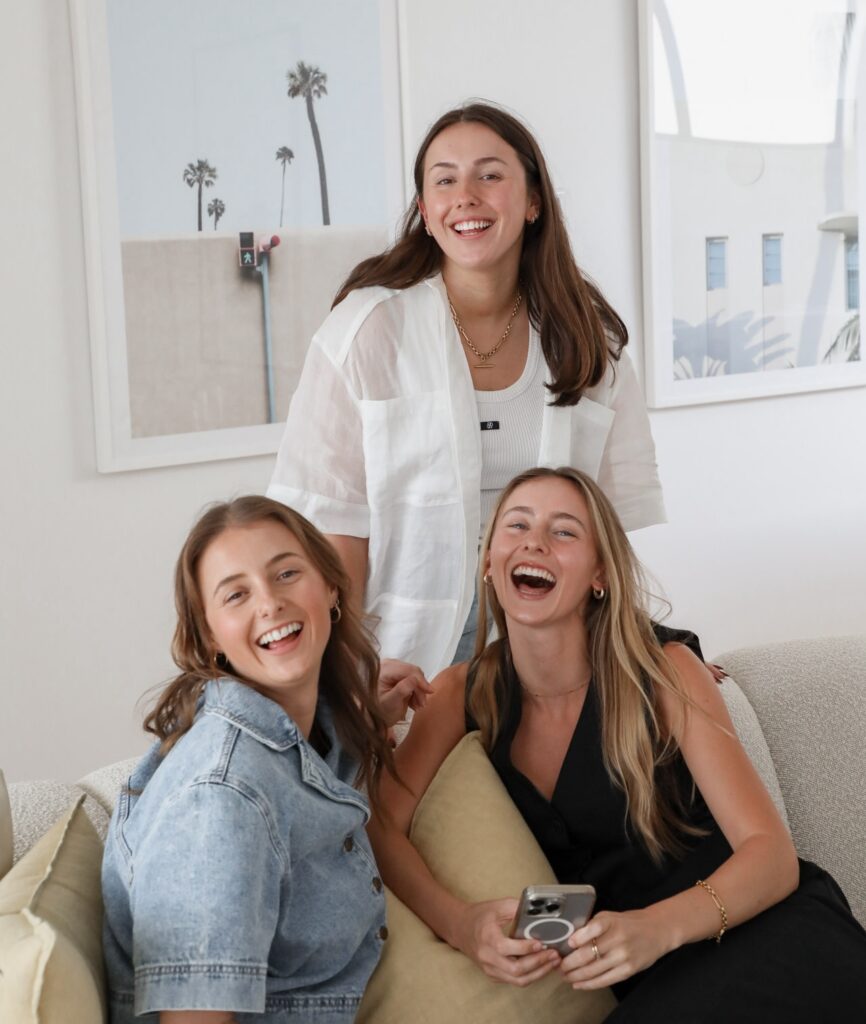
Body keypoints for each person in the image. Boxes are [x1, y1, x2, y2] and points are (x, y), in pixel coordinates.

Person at [366, 467, 866, 1021]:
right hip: (641, 984)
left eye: (564, 532)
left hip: (765, 940)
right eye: (517, 525)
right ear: (488, 562)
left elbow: (771, 858)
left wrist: (655, 930)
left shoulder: (665, 670)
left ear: (599, 574)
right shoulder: (463, 692)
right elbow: (377, 824)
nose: (534, 541)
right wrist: (461, 924)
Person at [268, 101, 665, 677]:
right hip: (402, 663)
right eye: (445, 180)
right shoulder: (366, 331)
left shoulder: (589, 339)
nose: (467, 196)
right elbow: (332, 533)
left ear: (533, 201)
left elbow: (608, 533)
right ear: (426, 212)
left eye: (490, 174)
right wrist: (341, 684)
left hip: (556, 658)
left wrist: (655, 645)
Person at [101, 496, 422, 1024]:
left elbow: (303, 788)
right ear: (209, 635)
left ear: (331, 588)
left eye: (287, 573)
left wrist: (367, 715)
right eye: (236, 595)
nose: (269, 604)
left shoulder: (295, 729)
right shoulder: (220, 801)